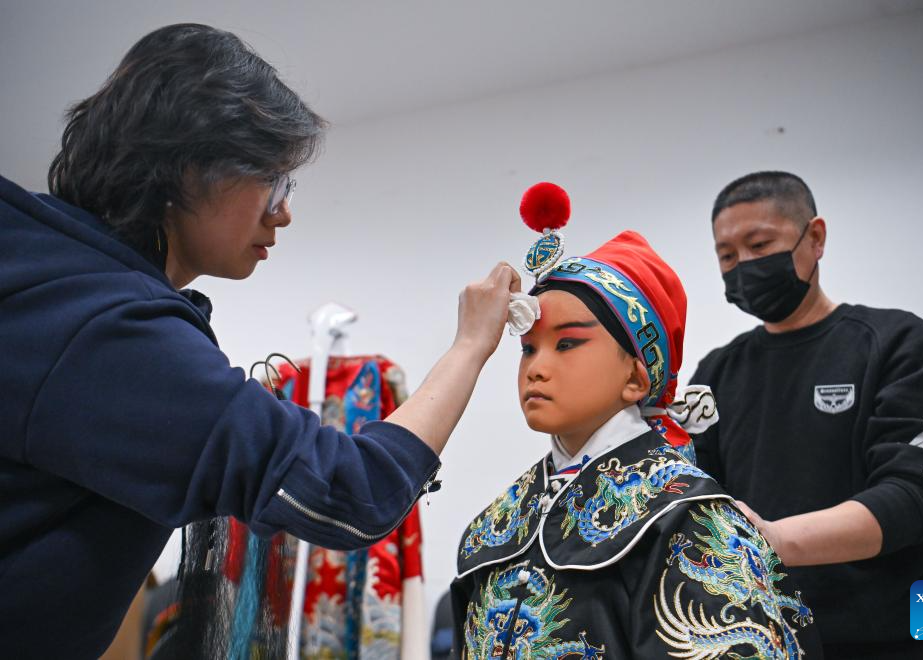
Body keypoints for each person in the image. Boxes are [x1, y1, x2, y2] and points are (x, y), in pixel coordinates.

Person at [0, 24, 519, 658]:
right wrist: (469, 346)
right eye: (272, 181)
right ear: (184, 170)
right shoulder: (107, 331)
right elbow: (354, 490)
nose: (283, 211)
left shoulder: (43, 271)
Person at [451, 230, 823, 659]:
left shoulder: (688, 519)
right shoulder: (493, 527)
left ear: (636, 377)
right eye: (528, 348)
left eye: (567, 343)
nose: (536, 368)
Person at [690, 171, 923, 659]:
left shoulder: (896, 342)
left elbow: (921, 496)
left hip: (890, 636)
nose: (743, 266)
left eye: (760, 245)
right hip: (760, 637)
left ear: (816, 237)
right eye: (727, 256)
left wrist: (776, 538)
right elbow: (696, 494)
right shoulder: (717, 371)